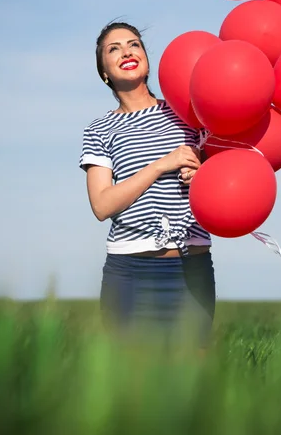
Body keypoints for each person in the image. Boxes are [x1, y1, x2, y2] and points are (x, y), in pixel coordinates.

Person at [79, 22, 216, 347]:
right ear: (105, 74)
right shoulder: (99, 129)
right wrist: (160, 165)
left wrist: (203, 174)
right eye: (114, 49)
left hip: (191, 268)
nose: (126, 51)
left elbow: (221, 175)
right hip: (130, 272)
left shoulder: (189, 111)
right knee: (132, 385)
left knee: (192, 378)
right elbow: (102, 205)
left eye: (134, 44)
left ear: (147, 59)